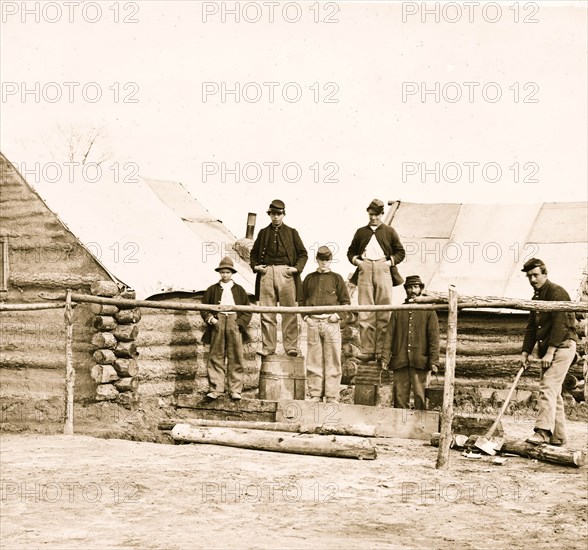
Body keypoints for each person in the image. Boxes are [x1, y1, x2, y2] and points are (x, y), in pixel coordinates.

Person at [520, 258, 578, 446]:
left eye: (536, 275)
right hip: (550, 349)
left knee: (547, 387)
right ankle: (559, 436)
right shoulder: (536, 298)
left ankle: (543, 432)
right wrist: (525, 352)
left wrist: (550, 352)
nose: (532, 279)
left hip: (562, 347)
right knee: (554, 391)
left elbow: (561, 325)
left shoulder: (556, 292)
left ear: (545, 274)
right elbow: (531, 327)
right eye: (529, 276)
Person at [347, 198, 406, 362]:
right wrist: (358, 262)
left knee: (383, 310)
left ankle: (381, 350)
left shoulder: (389, 231)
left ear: (382, 214)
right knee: (366, 311)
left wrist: (388, 263)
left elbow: (400, 252)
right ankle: (367, 350)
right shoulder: (361, 232)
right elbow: (351, 251)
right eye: (371, 214)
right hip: (365, 268)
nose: (373, 218)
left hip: (383, 269)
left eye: (377, 215)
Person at [250, 199, 308, 357]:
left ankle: (291, 347)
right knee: (267, 312)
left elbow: (303, 253)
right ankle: (268, 347)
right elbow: (254, 253)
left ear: (284, 214)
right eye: (273, 214)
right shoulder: (263, 233)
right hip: (266, 273)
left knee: (289, 312)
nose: (276, 217)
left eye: (279, 214)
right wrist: (256, 266)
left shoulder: (292, 232)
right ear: (269, 214)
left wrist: (296, 269)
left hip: (286, 274)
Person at [380, 275, 439, 410]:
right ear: (406, 290)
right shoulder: (398, 310)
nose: (412, 290)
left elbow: (434, 338)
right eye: (410, 287)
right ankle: (401, 427)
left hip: (420, 361)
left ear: (421, 289)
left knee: (421, 396)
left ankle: (420, 428)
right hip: (400, 361)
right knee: (400, 398)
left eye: (415, 287)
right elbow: (389, 335)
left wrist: (434, 361)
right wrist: (384, 357)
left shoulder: (429, 310)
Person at [300, 245, 351, 403]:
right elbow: (301, 300)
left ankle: (331, 395)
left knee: (333, 359)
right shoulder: (309, 278)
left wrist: (338, 316)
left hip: (331, 323)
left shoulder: (337, 278)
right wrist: (306, 317)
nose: (324, 263)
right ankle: (315, 394)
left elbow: (346, 302)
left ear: (331, 261)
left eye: (327, 260)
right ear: (317, 260)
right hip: (313, 322)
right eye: (321, 260)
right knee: (314, 359)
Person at [201, 256, 252, 400]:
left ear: (232, 274)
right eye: (222, 272)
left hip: (234, 322)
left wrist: (239, 323)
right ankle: (216, 388)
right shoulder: (212, 290)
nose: (225, 275)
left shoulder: (240, 290)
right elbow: (203, 308)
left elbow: (247, 310)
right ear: (219, 273)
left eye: (228, 272)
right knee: (216, 355)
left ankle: (235, 390)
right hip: (218, 321)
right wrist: (211, 319)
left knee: (236, 356)